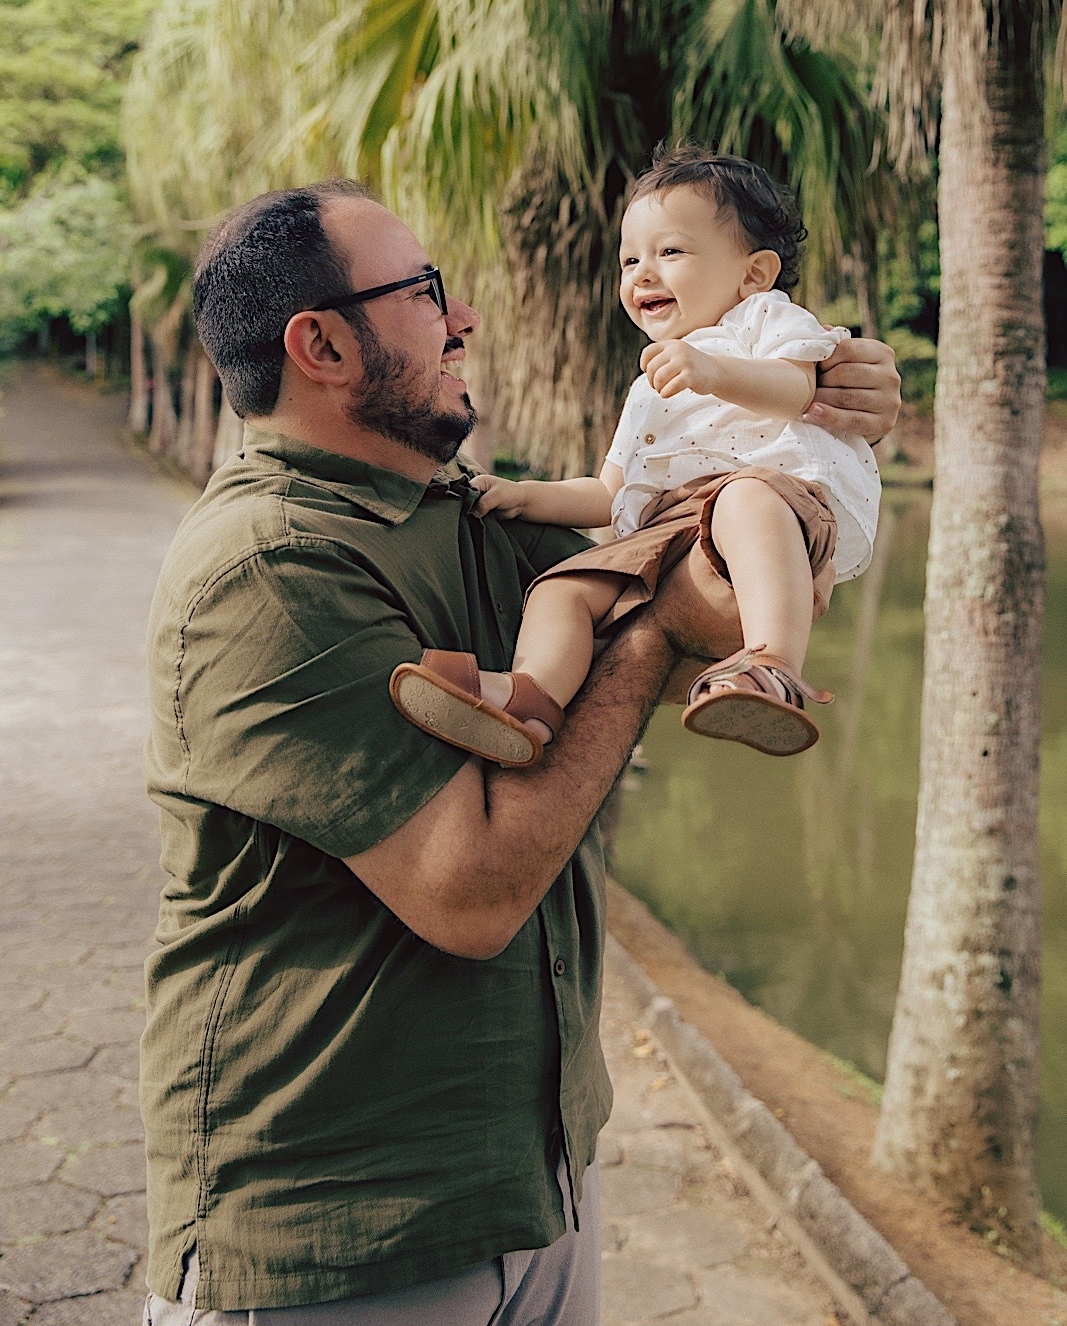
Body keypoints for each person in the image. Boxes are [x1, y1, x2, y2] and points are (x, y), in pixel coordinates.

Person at [141, 177, 901, 1324]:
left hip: (532, 1181)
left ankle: (514, 696)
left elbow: (697, 621)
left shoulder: (463, 514)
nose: (465, 319)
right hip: (342, 1232)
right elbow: (472, 891)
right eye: (424, 293)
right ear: (321, 345)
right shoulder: (268, 568)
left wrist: (826, 408)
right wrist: (651, 633)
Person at [390, 148, 881, 764]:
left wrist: (712, 370)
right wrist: (525, 495)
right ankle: (530, 699)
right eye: (630, 260)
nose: (643, 274)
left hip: (776, 504)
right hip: (671, 530)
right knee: (564, 588)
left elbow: (798, 389)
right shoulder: (650, 386)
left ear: (754, 273)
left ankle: (771, 666)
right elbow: (610, 492)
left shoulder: (764, 320)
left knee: (743, 500)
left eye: (670, 251)